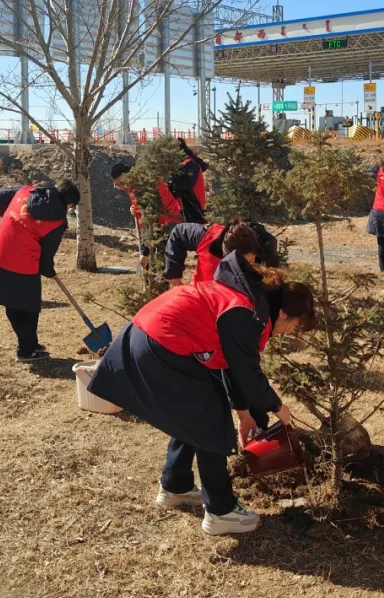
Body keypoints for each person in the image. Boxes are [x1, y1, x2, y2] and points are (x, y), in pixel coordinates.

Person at [87, 228, 316, 536]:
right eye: (296, 327)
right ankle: (221, 511)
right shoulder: (245, 311)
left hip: (150, 336)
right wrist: (277, 407)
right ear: (286, 314)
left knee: (194, 415)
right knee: (209, 420)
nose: (290, 334)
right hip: (160, 343)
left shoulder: (246, 299)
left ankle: (176, 486)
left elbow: (229, 367)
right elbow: (247, 372)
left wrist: (244, 413)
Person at [0, 181, 81, 362]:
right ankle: (27, 350)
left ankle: (29, 344)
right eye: (70, 207)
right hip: (23, 263)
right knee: (28, 307)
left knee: (12, 302)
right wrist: (49, 270)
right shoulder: (57, 222)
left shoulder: (28, 190)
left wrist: (11, 219)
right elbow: (46, 256)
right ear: (68, 203)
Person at [164, 218, 279, 287]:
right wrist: (174, 275)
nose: (237, 267)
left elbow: (272, 284)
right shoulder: (208, 236)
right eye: (230, 261)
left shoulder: (265, 250)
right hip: (201, 298)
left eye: (247, 261)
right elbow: (178, 233)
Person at [111, 162, 182, 267]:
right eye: (117, 185)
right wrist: (135, 208)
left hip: (167, 222)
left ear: (128, 176)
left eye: (122, 183)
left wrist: (145, 252)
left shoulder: (141, 187)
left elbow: (148, 221)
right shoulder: (136, 181)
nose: (121, 187)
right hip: (163, 221)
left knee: (163, 264)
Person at [170, 138, 209, 224]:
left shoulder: (189, 164)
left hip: (193, 208)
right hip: (189, 207)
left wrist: (169, 184)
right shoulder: (188, 162)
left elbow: (184, 185)